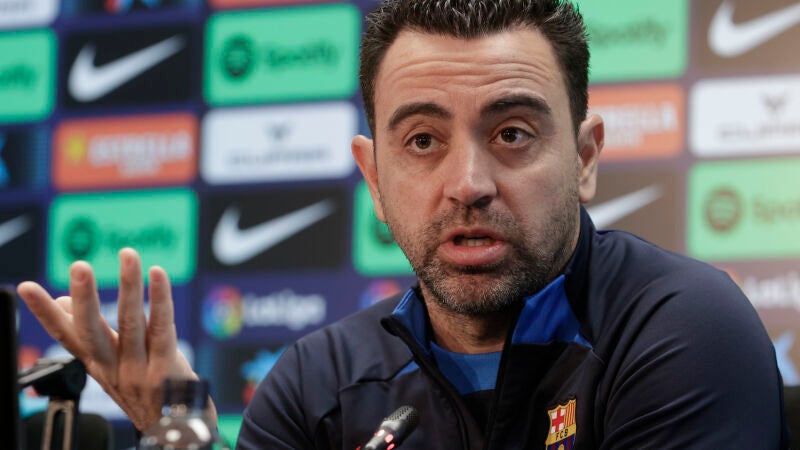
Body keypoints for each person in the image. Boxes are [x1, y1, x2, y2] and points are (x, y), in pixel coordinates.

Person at [17, 0, 789, 448]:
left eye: (512, 133)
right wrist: (181, 436)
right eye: (422, 141)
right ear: (374, 179)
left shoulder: (682, 328)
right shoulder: (316, 382)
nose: (468, 184)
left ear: (585, 159)